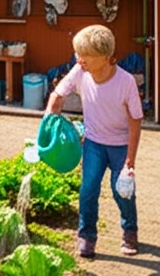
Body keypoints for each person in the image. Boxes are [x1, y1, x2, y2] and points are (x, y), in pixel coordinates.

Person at [45, 24, 143, 258]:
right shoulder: (80, 72)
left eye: (85, 55)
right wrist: (47, 122)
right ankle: (86, 236)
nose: (79, 59)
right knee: (88, 189)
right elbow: (57, 96)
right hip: (93, 143)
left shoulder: (125, 82)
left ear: (106, 57)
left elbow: (135, 121)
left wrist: (130, 160)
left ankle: (130, 231)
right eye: (78, 54)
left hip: (120, 145)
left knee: (122, 191)